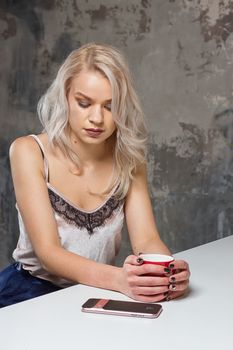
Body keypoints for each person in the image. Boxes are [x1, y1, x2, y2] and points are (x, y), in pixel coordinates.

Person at [0, 43, 190, 308]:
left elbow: (146, 239)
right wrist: (121, 280)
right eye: (84, 103)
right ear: (65, 97)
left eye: (110, 106)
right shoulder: (28, 151)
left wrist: (167, 273)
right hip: (28, 294)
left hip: (95, 290)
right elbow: (49, 255)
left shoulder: (130, 159)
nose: (97, 118)